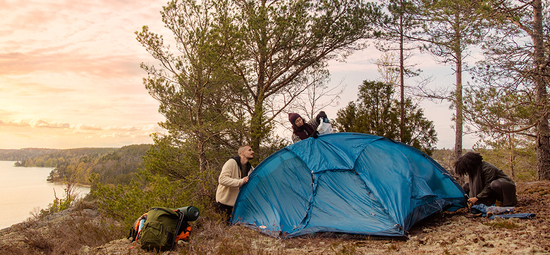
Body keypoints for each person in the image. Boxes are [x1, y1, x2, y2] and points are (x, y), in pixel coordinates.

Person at [215, 145, 254, 222]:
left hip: (238, 204)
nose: (252, 152)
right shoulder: (231, 162)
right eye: (249, 150)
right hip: (225, 203)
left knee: (236, 229)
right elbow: (222, 179)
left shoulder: (250, 168)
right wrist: (240, 181)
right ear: (242, 153)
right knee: (225, 228)